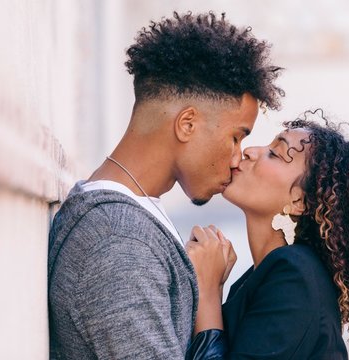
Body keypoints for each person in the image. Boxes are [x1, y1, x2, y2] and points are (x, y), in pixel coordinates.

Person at [47, 11, 283, 360]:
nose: (237, 159)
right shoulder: (118, 242)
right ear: (187, 124)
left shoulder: (126, 219)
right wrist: (206, 298)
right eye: (235, 137)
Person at [185, 111, 349, 359]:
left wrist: (207, 291)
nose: (250, 151)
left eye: (275, 154)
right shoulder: (264, 275)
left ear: (299, 201)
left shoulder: (294, 276)